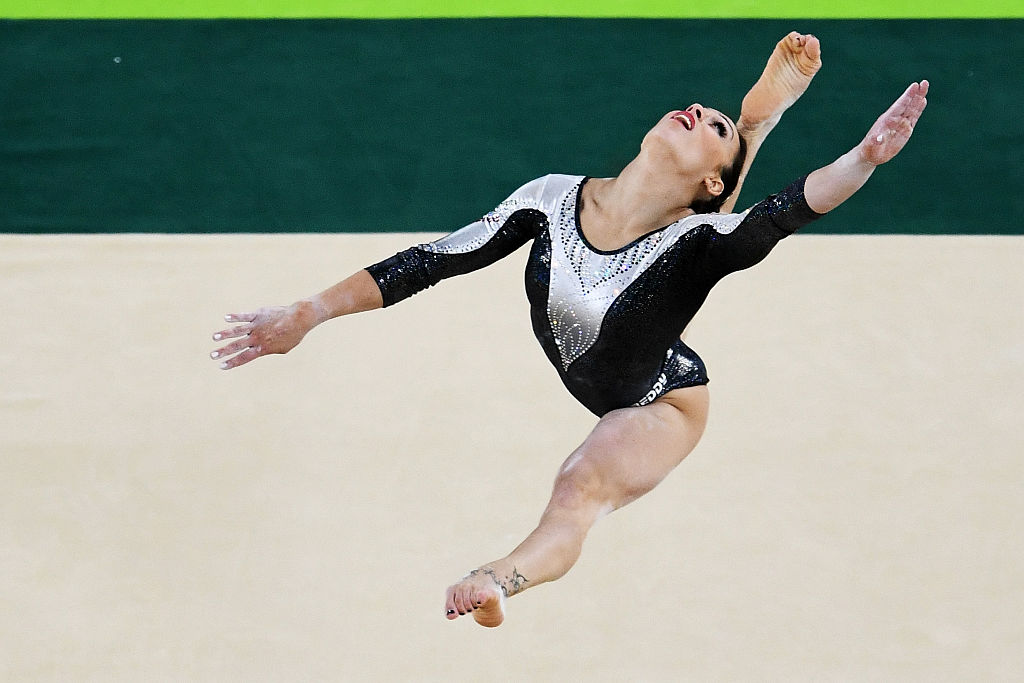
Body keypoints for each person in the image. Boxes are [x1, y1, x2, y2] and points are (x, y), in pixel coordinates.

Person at [210, 32, 928, 628]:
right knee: (700, 224)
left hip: (663, 399)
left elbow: (793, 205)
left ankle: (501, 577)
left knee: (580, 484)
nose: (694, 109)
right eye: (702, 111)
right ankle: (758, 122)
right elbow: (429, 261)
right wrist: (307, 311)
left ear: (714, 178)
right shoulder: (548, 199)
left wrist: (866, 155)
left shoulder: (699, 241)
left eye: (715, 125)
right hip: (669, 258)